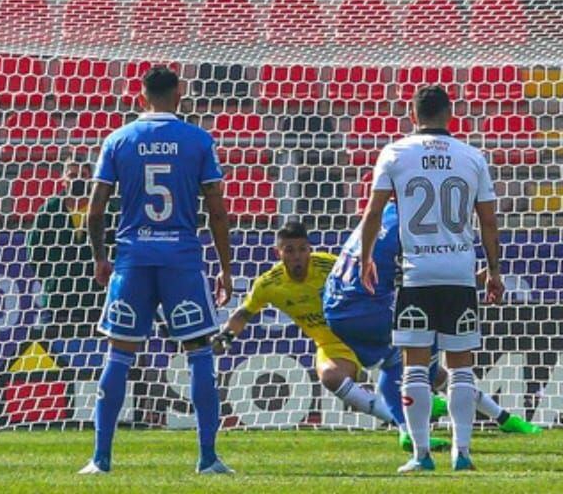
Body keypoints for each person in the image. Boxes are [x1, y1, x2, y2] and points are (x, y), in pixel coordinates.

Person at [81, 66, 234, 475]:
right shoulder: (198, 140)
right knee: (199, 352)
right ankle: (207, 458)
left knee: (118, 354)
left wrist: (100, 256)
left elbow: (95, 209)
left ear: (140, 95)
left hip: (132, 258)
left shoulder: (118, 139)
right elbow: (217, 211)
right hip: (181, 259)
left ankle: (101, 459)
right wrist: (225, 269)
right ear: (179, 92)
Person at [359, 85, 502, 473]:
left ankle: (422, 455)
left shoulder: (395, 153)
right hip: (459, 272)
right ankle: (463, 452)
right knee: (461, 367)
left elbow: (373, 214)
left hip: (417, 273)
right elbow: (488, 221)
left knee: (415, 366)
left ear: (412, 113)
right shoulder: (472, 156)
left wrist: (367, 257)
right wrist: (494, 271)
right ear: (450, 114)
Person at [211, 220, 446, 452]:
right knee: (331, 376)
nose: (297, 256)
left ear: (309, 249)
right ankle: (401, 422)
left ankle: (464, 403)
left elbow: (363, 277)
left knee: (429, 372)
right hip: (330, 345)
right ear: (278, 252)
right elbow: (244, 313)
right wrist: (227, 336)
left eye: (302, 249)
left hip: (359, 332)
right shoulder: (269, 284)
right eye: (290, 250)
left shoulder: (329, 266)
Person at [325, 200, 539, 453]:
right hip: (366, 310)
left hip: (336, 307)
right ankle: (417, 424)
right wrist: (473, 278)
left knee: (408, 363)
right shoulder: (412, 225)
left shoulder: (384, 213)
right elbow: (427, 274)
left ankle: (502, 418)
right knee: (421, 351)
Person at [26, 160, 104, 340]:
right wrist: (54, 278)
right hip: (58, 299)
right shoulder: (49, 210)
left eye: (82, 176)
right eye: (72, 175)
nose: (77, 180)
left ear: (91, 179)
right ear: (63, 179)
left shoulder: (104, 209)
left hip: (96, 298)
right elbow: (35, 253)